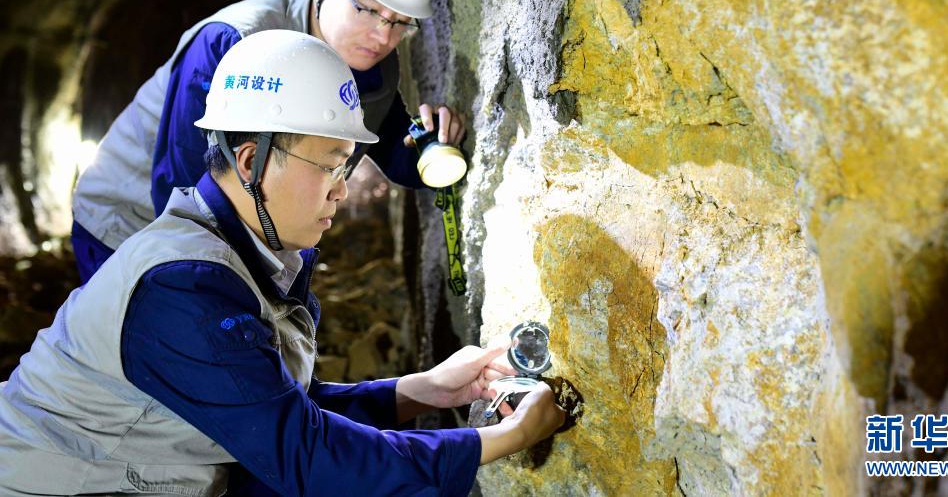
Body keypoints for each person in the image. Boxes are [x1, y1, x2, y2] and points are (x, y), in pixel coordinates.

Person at [0, 31, 565, 496]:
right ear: (251, 161)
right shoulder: (183, 288)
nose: (342, 190)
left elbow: (274, 410)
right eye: (329, 165)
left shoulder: (240, 251)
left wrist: (424, 390)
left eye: (347, 167)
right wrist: (503, 438)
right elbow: (308, 458)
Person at [70, 0, 466, 283]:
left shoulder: (368, 65)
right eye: (367, 8)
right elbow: (179, 192)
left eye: (400, 21)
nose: (382, 36)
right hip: (128, 225)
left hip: (238, 235)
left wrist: (432, 143)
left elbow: (395, 152)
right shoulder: (232, 42)